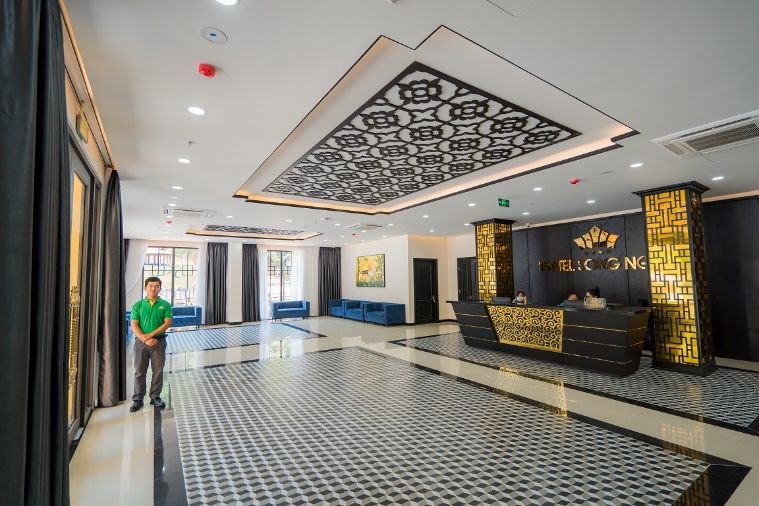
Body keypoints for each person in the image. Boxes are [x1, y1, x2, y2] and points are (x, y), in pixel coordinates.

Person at [130, 277, 173, 412]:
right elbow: (134, 325)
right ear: (145, 288)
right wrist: (145, 339)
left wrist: (150, 335)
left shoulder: (165, 305)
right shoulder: (137, 305)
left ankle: (155, 397)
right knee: (139, 372)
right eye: (151, 286)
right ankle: (138, 399)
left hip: (159, 342)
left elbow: (167, 323)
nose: (154, 288)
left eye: (157, 286)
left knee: (158, 371)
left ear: (160, 288)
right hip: (141, 343)